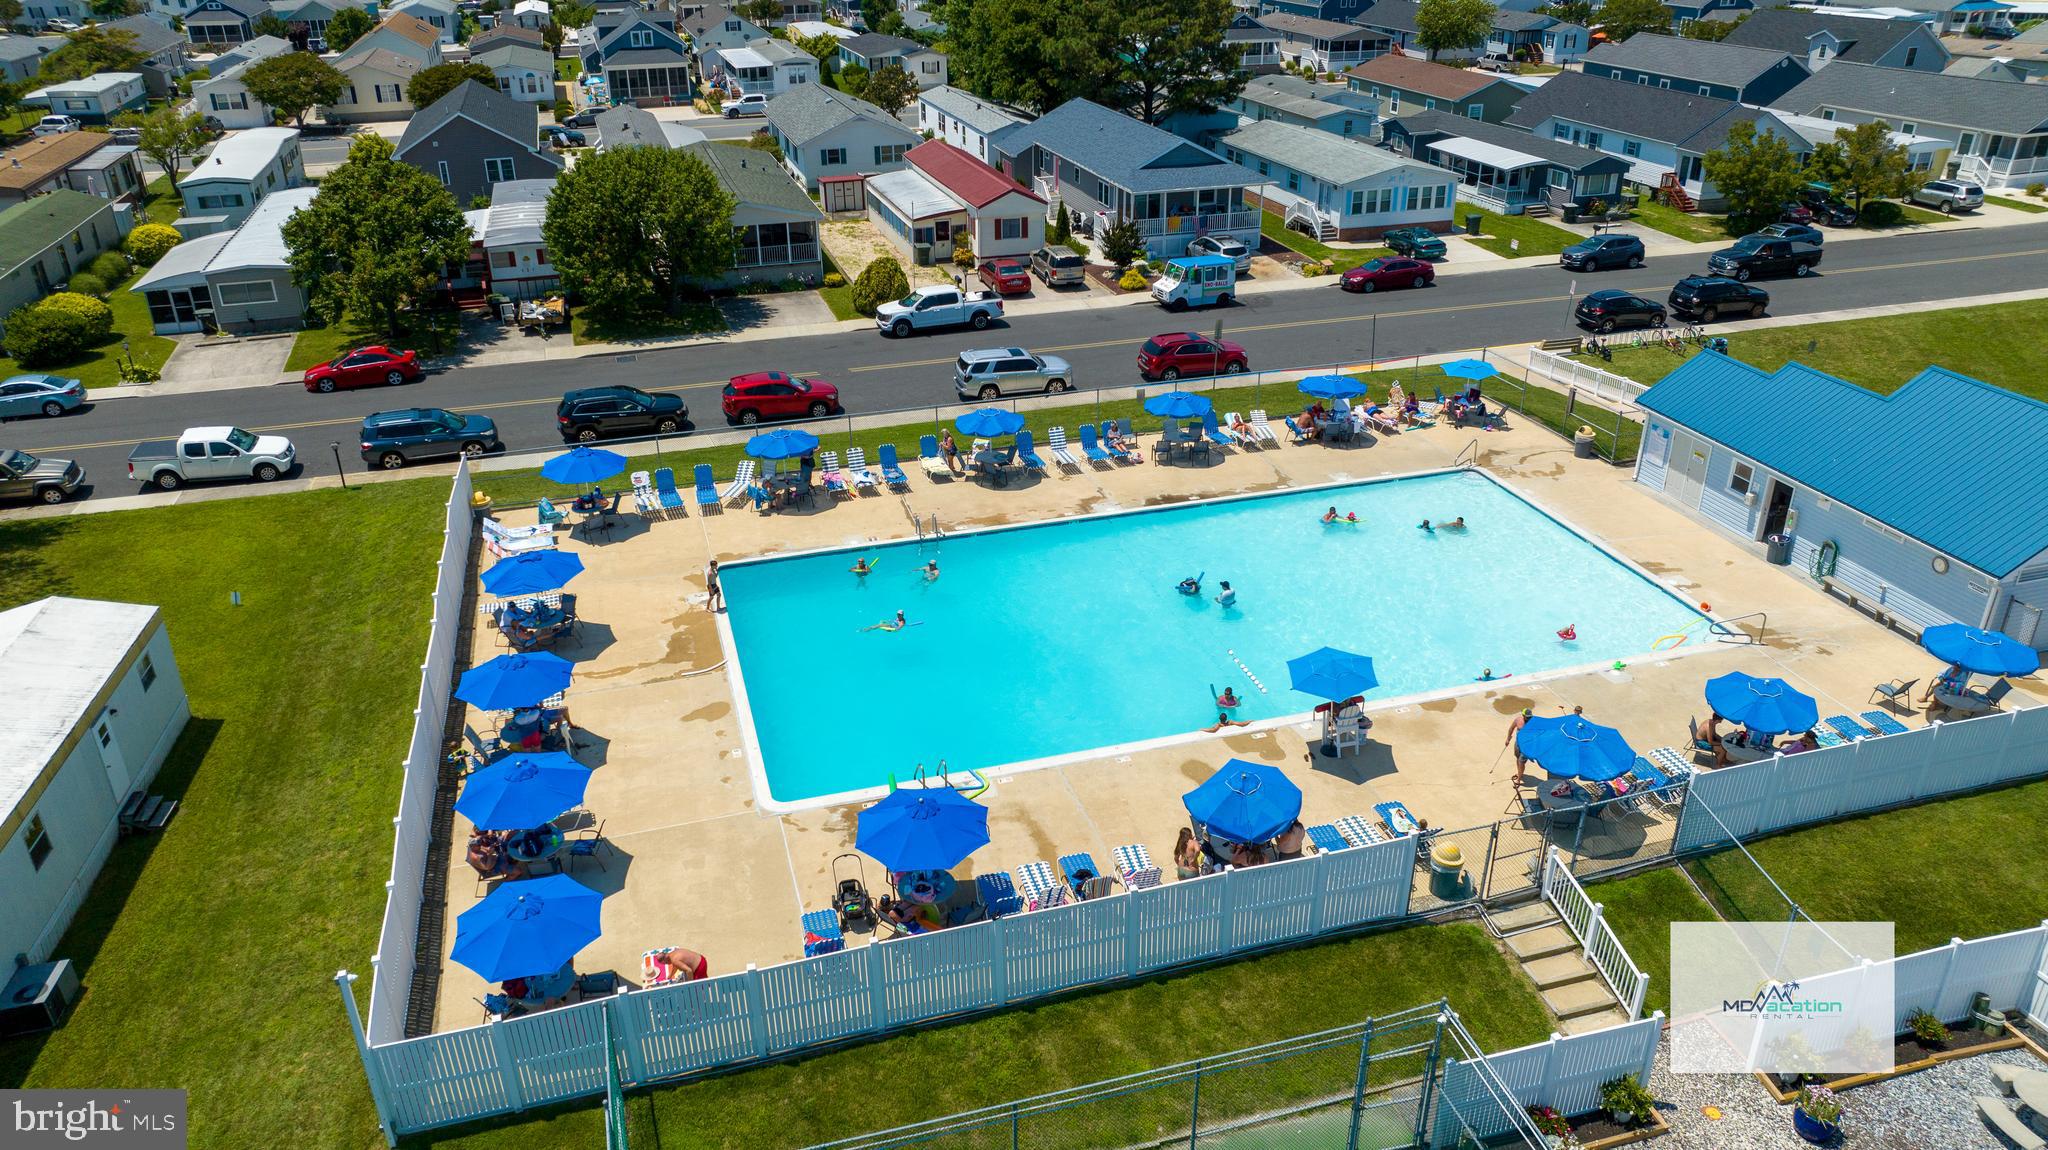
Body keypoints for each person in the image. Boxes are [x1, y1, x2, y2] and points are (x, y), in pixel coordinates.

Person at [643, 946, 709, 986]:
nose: (667, 964)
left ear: (665, 960)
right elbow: (675, 966)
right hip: (701, 958)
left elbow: (689, 970)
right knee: (703, 981)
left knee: (699, 987)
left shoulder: (674, 960)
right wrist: (670, 975)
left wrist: (690, 983)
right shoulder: (673, 953)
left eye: (665, 963)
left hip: (699, 967)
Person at [1506, 707, 1533, 786]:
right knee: (1517, 758)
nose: (1529, 718)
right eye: (1527, 717)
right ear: (1523, 715)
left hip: (1527, 746)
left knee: (1521, 761)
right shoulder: (1518, 720)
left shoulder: (1533, 722)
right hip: (1518, 744)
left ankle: (1519, 779)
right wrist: (1508, 739)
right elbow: (1511, 729)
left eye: (1530, 717)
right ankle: (1519, 773)